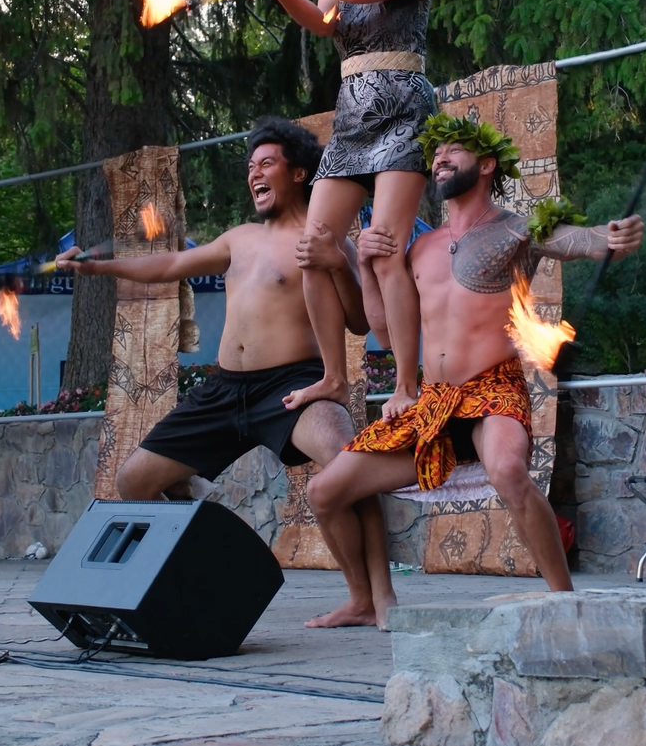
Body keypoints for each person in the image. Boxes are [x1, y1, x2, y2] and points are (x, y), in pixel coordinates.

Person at [54, 117, 396, 628]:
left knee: (347, 463)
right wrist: (97, 268)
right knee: (134, 482)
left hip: (292, 384)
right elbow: (170, 266)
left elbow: (357, 320)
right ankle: (203, 560)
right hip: (225, 388)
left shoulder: (323, 238)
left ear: (299, 173)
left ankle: (372, 598)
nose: (254, 174)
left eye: (267, 163)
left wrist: (339, 264)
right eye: (250, 166)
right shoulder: (239, 238)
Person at [308, 116, 644, 599]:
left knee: (508, 471)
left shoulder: (518, 231)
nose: (440, 158)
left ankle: (563, 599)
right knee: (324, 492)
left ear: (486, 165)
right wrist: (364, 263)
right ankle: (364, 601)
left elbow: (580, 239)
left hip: (492, 388)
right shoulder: (420, 247)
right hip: (435, 398)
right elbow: (381, 328)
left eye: (454, 151)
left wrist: (610, 236)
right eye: (436, 153)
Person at [239, 0, 435, 415]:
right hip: (352, 118)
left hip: (402, 112)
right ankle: (332, 377)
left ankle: (406, 385)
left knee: (386, 250)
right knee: (312, 247)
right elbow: (323, 20)